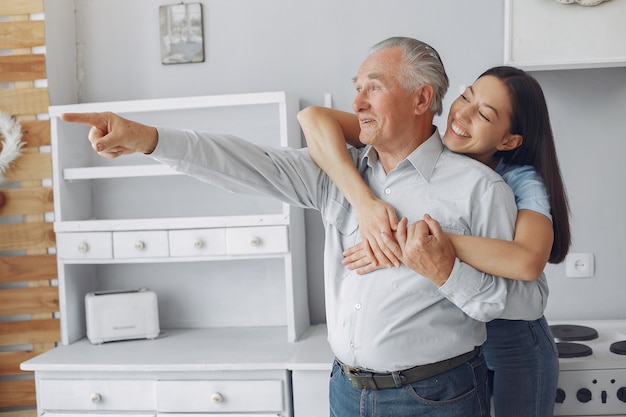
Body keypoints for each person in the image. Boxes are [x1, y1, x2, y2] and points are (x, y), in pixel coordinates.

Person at [60, 37, 547, 417]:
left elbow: (516, 300)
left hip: (436, 397)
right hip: (343, 392)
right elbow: (245, 161)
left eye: (373, 86)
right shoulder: (339, 172)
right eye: (356, 86)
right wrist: (147, 139)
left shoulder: (482, 190)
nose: (357, 101)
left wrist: (442, 269)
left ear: (422, 99)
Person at [297, 65, 570, 417]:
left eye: (484, 114)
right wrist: (366, 205)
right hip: (465, 342)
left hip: (514, 341)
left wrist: (412, 241)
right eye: (466, 96)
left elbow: (527, 261)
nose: (463, 114)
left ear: (509, 140)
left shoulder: (519, 181)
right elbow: (315, 117)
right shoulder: (437, 151)